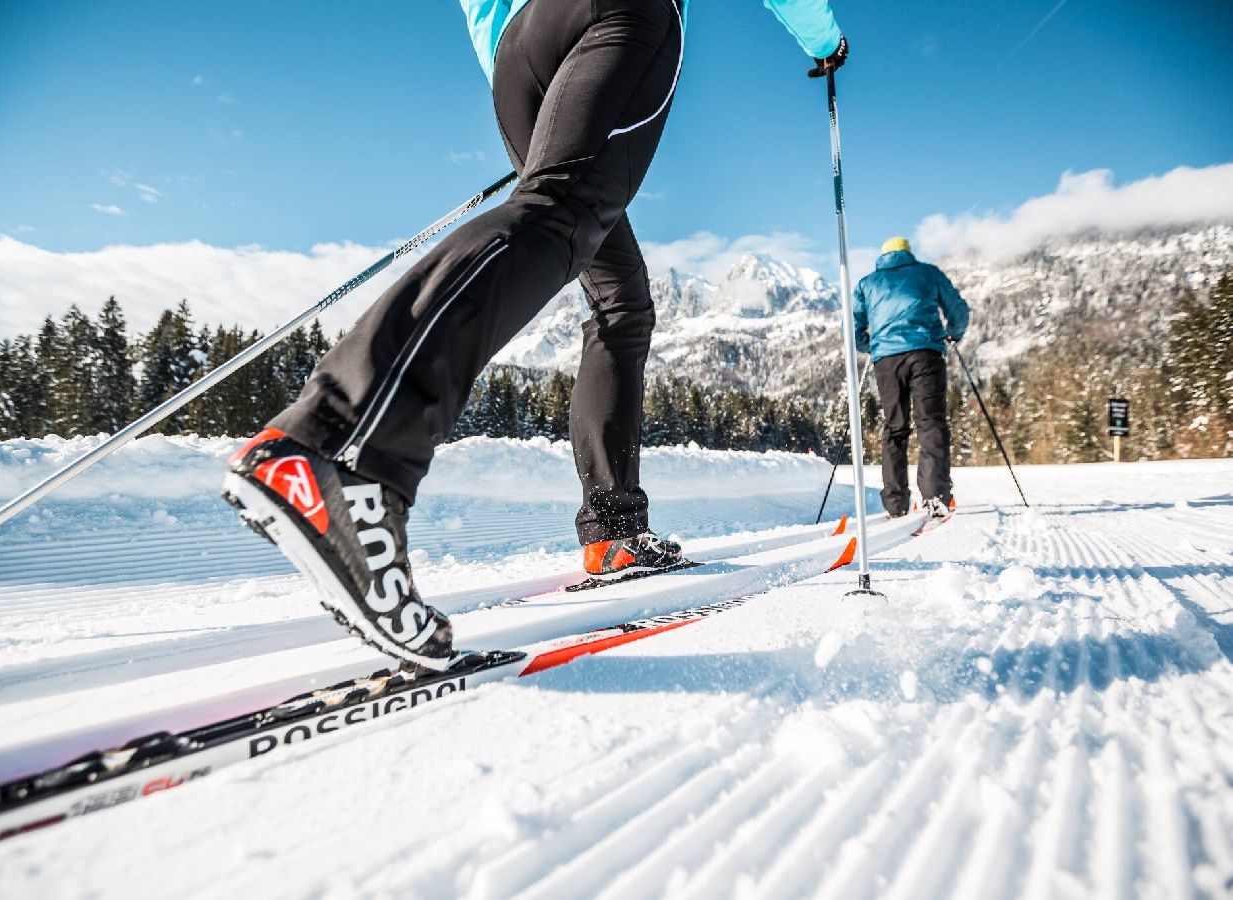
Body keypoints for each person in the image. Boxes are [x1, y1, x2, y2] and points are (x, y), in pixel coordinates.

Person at [222, 0, 850, 673]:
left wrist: (519, 65)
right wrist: (825, 40)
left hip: (517, 53)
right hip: (616, 16)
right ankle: (344, 451)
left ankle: (613, 530)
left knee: (621, 301)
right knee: (559, 216)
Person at [853, 236, 970, 521]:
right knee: (931, 423)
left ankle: (895, 503)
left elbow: (854, 327)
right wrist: (953, 333)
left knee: (895, 427)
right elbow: (957, 308)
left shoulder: (868, 284)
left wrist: (872, 345)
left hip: (886, 360)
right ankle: (935, 497)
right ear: (908, 253)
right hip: (926, 353)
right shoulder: (928, 273)